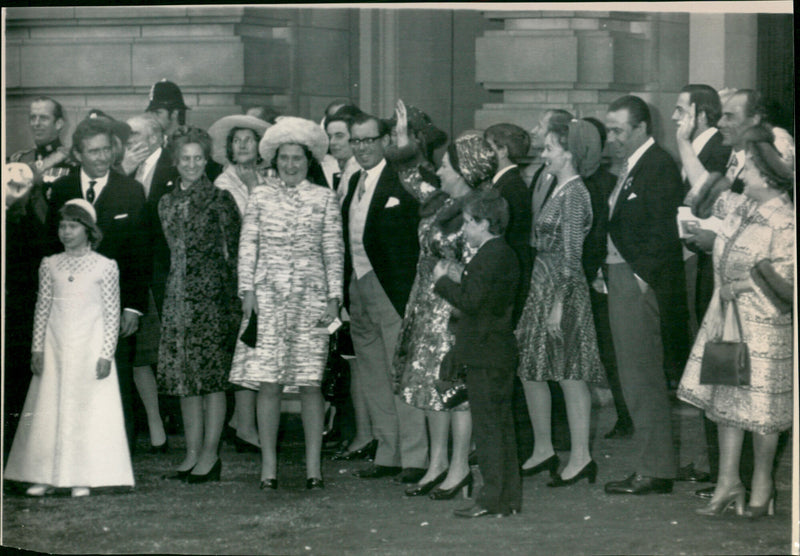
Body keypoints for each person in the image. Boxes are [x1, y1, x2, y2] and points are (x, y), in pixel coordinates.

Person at [677, 124, 794, 518]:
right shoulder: (744, 206)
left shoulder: (786, 219)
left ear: (766, 174)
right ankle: (729, 482)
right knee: (727, 399)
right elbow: (705, 190)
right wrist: (681, 142)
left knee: (762, 410)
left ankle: (762, 483)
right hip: (727, 319)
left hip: (764, 325)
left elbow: (789, 285)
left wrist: (743, 283)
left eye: (747, 169)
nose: (740, 175)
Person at [229, 117, 343, 490]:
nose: (291, 164)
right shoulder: (261, 195)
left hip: (311, 299)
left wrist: (334, 297)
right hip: (268, 299)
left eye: (298, 158)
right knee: (269, 383)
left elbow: (333, 249)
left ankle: (313, 468)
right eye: (284, 158)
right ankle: (269, 467)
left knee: (310, 384)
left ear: (308, 161)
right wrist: (247, 291)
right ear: (274, 160)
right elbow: (248, 245)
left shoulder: (324, 198)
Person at [393, 105, 497, 499]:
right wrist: (403, 139)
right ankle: (436, 463)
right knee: (428, 388)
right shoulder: (441, 203)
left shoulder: (478, 212)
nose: (440, 172)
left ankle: (459, 469)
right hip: (426, 305)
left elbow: (477, 272)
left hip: (453, 311)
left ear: (466, 172)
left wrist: (457, 307)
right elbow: (408, 176)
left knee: (455, 392)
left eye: (448, 168)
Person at [4, 199, 134, 497]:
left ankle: (82, 476)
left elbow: (112, 313)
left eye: (73, 226)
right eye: (62, 226)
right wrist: (37, 349)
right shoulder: (50, 264)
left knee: (85, 412)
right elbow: (43, 307)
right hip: (56, 347)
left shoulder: (105, 266)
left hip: (89, 348)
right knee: (49, 411)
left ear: (88, 229)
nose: (66, 232)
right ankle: (46, 475)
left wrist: (106, 353)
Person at [47, 117, 150, 452]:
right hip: (69, 309)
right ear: (78, 154)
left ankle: (117, 458)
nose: (102, 157)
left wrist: (133, 307)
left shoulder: (130, 190)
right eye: (94, 152)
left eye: (107, 149)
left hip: (113, 308)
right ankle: (73, 455)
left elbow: (139, 254)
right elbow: (49, 250)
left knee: (115, 380)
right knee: (70, 380)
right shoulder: (60, 191)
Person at [602, 95, 688, 496]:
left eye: (618, 129)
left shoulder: (658, 166)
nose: (612, 137)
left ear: (641, 128)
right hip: (620, 278)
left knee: (642, 378)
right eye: (610, 129)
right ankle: (653, 464)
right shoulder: (632, 166)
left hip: (637, 284)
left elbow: (662, 233)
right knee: (634, 377)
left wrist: (638, 278)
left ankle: (654, 469)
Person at [515, 119, 606, 486]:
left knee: (569, 374)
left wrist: (558, 304)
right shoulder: (557, 187)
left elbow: (572, 256)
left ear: (569, 153)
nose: (544, 154)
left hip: (561, 290)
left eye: (550, 148)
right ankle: (543, 448)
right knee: (531, 369)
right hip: (542, 287)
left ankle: (581, 457)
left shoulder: (574, 193)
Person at [341, 112, 427, 483]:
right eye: (355, 141)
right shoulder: (353, 181)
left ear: (384, 140)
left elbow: (426, 193)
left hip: (392, 290)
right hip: (358, 288)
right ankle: (387, 451)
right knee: (373, 374)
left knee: (400, 373)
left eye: (369, 140)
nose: (362, 148)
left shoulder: (400, 179)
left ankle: (415, 456)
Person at [157, 127, 241, 483]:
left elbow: (235, 253)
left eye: (198, 158)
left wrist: (235, 301)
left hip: (213, 298)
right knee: (184, 379)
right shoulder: (165, 202)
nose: (191, 165)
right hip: (177, 297)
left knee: (212, 380)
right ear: (176, 162)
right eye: (185, 159)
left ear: (207, 160)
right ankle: (191, 452)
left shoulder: (221, 200)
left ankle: (210, 453)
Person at [432, 189, 521, 518]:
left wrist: (442, 282)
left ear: (485, 224)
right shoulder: (501, 253)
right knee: (501, 428)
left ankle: (491, 499)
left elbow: (472, 303)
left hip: (486, 354)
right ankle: (506, 499)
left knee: (488, 431)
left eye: (469, 223)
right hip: (495, 352)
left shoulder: (490, 255)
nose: (465, 229)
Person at [4, 96, 77, 455]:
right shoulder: (17, 161)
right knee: (19, 353)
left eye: (44, 117)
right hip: (19, 271)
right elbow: (10, 196)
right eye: (31, 117)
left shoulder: (73, 162)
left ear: (60, 123)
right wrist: (47, 163)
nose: (36, 123)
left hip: (56, 264)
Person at [671, 85, 731, 485]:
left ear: (702, 115)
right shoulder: (705, 149)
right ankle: (715, 465)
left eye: (681, 110)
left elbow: (706, 199)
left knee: (722, 365)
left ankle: (722, 469)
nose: (676, 118)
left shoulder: (719, 152)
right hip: (705, 265)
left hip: (721, 272)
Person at [207, 114, 272, 454]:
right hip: (238, 275)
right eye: (238, 140)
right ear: (229, 147)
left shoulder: (267, 176)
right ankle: (245, 425)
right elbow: (241, 230)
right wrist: (251, 190)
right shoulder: (223, 184)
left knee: (257, 348)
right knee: (246, 348)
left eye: (250, 139)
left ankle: (241, 423)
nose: (243, 145)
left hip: (268, 273)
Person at [122, 113, 177, 453]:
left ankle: (173, 421)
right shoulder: (123, 170)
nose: (129, 144)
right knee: (140, 352)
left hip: (163, 271)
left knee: (165, 350)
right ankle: (155, 424)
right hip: (132, 270)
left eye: (135, 137)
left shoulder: (174, 167)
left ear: (155, 138)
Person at [580, 116, 632, 441]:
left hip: (599, 278)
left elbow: (603, 232)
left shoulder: (603, 184)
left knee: (612, 349)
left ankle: (627, 414)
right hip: (590, 275)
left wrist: (596, 272)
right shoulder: (595, 181)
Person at [145, 78, 223, 181]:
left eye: (157, 113)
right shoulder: (155, 142)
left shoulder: (196, 140)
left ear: (174, 113)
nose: (152, 117)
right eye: (150, 113)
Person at [323, 104, 364, 199]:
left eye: (339, 136)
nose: (332, 142)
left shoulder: (360, 172)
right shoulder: (345, 168)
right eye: (329, 137)